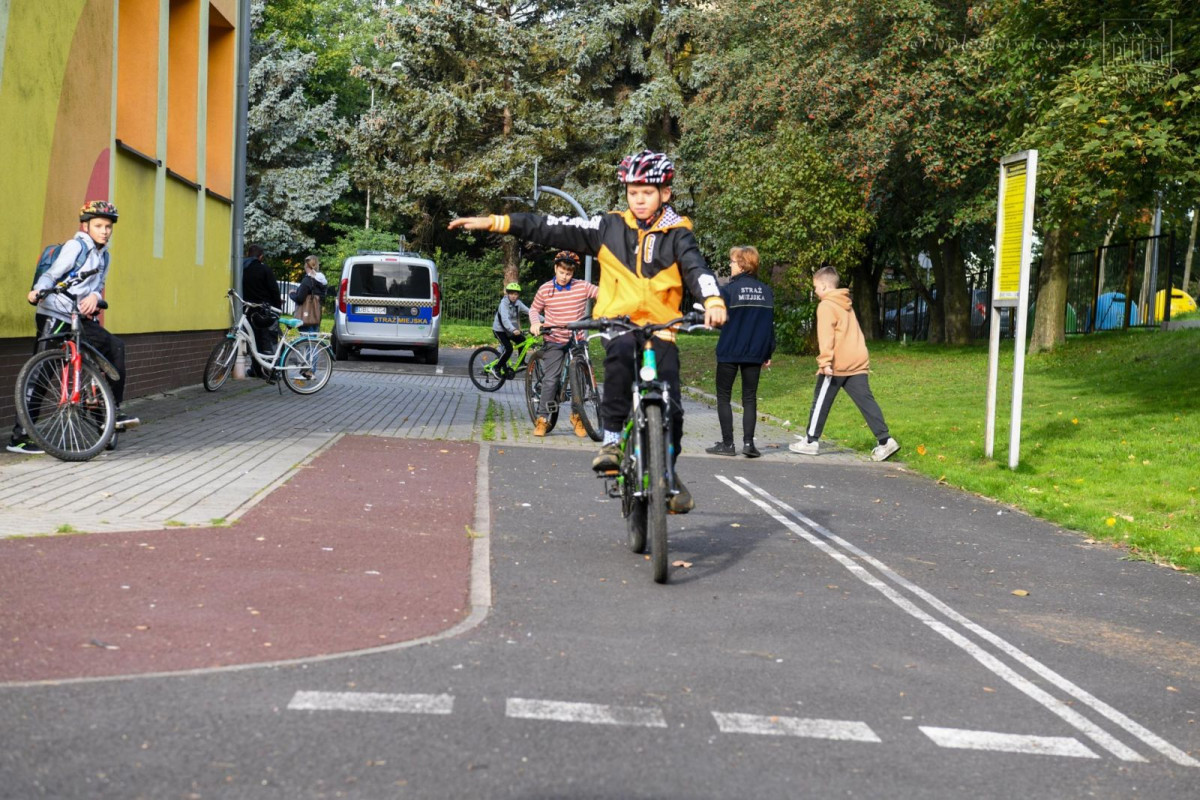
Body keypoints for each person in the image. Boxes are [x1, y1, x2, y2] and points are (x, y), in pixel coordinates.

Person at [449, 149, 726, 513]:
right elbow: (551, 227)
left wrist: (714, 301)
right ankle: (611, 441)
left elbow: (697, 270)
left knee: (672, 406)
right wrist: (498, 222)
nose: (639, 199)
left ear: (665, 194)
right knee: (618, 367)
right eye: (633, 191)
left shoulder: (678, 234)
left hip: (661, 328)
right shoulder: (607, 227)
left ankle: (667, 475)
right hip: (618, 323)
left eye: (647, 192)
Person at [8, 200, 136, 455]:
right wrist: (37, 290)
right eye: (99, 225)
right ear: (86, 225)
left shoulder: (104, 256)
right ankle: (20, 437)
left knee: (114, 348)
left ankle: (110, 415)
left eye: (108, 227)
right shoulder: (75, 247)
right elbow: (52, 275)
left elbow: (97, 288)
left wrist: (95, 298)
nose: (104, 231)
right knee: (42, 370)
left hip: (81, 317)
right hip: (56, 313)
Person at [790, 266, 899, 462]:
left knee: (821, 401)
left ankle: (810, 441)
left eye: (815, 287)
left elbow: (826, 336)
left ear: (824, 285)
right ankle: (885, 441)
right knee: (867, 402)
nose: (815, 291)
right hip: (857, 361)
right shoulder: (845, 303)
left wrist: (824, 362)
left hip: (836, 364)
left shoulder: (826, 306)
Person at [706, 246, 775, 459]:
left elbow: (719, 320)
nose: (730, 265)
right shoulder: (766, 291)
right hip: (755, 352)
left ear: (743, 264)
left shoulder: (727, 291)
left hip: (729, 350)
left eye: (733, 262)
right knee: (749, 398)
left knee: (724, 396)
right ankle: (749, 444)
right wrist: (768, 351)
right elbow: (769, 326)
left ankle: (728, 444)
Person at [528, 251, 599, 438]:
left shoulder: (582, 286)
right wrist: (535, 323)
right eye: (562, 272)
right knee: (551, 378)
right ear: (555, 269)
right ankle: (542, 418)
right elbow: (535, 309)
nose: (565, 276)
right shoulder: (545, 289)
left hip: (576, 338)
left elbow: (601, 294)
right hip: (554, 337)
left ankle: (577, 416)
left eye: (568, 273)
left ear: (573, 272)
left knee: (581, 377)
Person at [241, 244, 282, 376]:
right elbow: (274, 290)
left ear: (248, 254)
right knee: (268, 341)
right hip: (265, 312)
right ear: (261, 256)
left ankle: (256, 369)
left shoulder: (242, 269)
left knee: (253, 341)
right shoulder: (265, 270)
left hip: (248, 311)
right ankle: (271, 370)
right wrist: (277, 309)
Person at [493, 282, 531, 376]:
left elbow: (530, 312)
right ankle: (496, 368)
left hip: (509, 330)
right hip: (499, 330)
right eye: (511, 294)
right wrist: (513, 329)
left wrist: (545, 320)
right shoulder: (504, 303)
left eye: (516, 294)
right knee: (508, 348)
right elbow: (505, 319)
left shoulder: (518, 303)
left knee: (522, 340)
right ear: (508, 294)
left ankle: (521, 362)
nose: (513, 296)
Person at [290, 255, 328, 333]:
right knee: (314, 341)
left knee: (306, 341)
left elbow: (300, 299)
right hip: (316, 316)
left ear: (306, 265)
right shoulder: (322, 281)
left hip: (305, 317)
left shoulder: (307, 281)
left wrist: (292, 294)